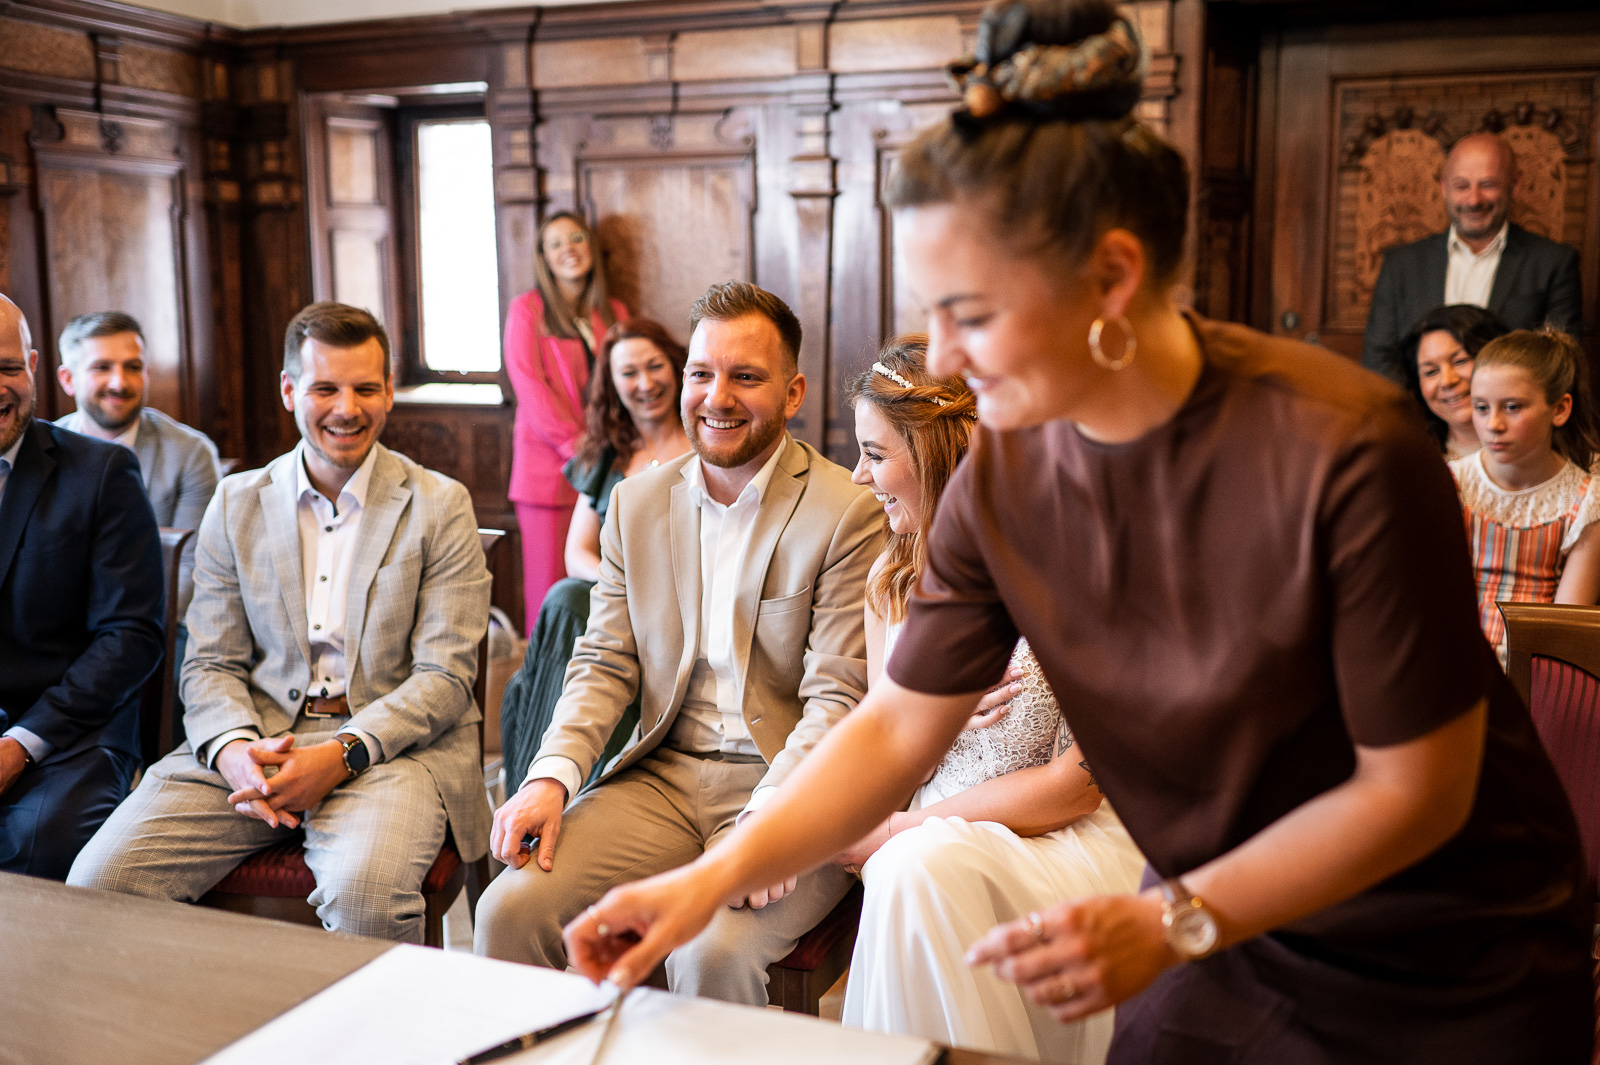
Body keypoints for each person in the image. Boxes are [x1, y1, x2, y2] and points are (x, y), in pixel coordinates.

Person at [559, 6, 1592, 1063]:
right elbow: (896, 728)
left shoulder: (1347, 448)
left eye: (971, 312)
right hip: (1224, 925)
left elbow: (1413, 792)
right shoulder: (1003, 478)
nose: (946, 361)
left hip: (1449, 957)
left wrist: (1167, 921)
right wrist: (708, 880)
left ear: (1110, 277)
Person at [474, 281, 884, 1007]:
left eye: (745, 376)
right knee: (506, 911)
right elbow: (603, 661)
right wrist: (549, 775)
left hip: (792, 789)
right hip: (662, 778)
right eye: (701, 372)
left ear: (792, 394)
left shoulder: (845, 510)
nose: (715, 396)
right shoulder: (635, 502)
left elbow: (838, 698)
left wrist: (768, 822)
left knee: (710, 953)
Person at [69, 301, 492, 942]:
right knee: (102, 879)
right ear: (291, 390)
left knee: (366, 898)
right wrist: (236, 752)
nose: (346, 408)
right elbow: (209, 662)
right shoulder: (237, 503)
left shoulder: (439, 504)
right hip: (256, 742)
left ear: (387, 395)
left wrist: (342, 754)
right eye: (325, 387)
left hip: (391, 750)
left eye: (365, 388)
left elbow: (444, 677)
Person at [837, 338, 1145, 1063]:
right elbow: (889, 753)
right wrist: (930, 725)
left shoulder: (1077, 565)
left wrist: (907, 828)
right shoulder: (891, 580)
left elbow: (1078, 787)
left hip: (1060, 841)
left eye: (874, 453)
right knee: (913, 870)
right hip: (932, 831)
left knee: (915, 867)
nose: (857, 476)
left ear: (938, 452)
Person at [0, 294, 164, 880]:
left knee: (36, 844)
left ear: (36, 367)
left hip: (73, 732)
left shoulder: (101, 474)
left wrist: (20, 744)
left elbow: (132, 636)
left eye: (7, 368)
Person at [502, 317, 692, 789]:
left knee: (569, 602)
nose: (645, 383)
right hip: (612, 600)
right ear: (613, 384)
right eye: (629, 373)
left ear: (677, 367)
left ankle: (544, 782)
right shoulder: (609, 453)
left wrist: (646, 591)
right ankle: (541, 782)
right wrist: (623, 586)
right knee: (566, 602)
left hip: (680, 604)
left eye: (655, 367)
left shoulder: (707, 445)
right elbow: (578, 553)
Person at [1363, 131, 1582, 376]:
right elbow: (1380, 360)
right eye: (1461, 186)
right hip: (1416, 413)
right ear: (1444, 186)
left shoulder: (1555, 263)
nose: (1473, 199)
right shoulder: (1400, 265)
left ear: (1515, 184)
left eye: (1487, 185)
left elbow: (1559, 366)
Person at [505, 210, 628, 632]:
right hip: (550, 472)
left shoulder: (612, 312)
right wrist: (580, 450)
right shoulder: (527, 310)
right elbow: (531, 388)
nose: (568, 249)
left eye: (576, 238)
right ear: (543, 256)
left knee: (598, 594)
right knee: (550, 593)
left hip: (607, 470)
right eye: (555, 243)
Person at [53, 311, 222, 616]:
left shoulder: (191, 453)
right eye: (102, 367)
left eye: (133, 367)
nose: (119, 383)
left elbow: (190, 571)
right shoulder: (42, 451)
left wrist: (126, 635)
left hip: (157, 625)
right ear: (68, 379)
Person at [1452, 329, 1600, 663]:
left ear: (1559, 409)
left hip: (1534, 668)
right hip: (1452, 661)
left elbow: (1565, 631)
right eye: (1481, 407)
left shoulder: (1586, 501)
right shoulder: (1454, 483)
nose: (1493, 424)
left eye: (1512, 407)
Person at [1395, 304, 1510, 461]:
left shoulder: (1541, 453)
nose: (1447, 381)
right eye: (1431, 372)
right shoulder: (1413, 462)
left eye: (1460, 361)